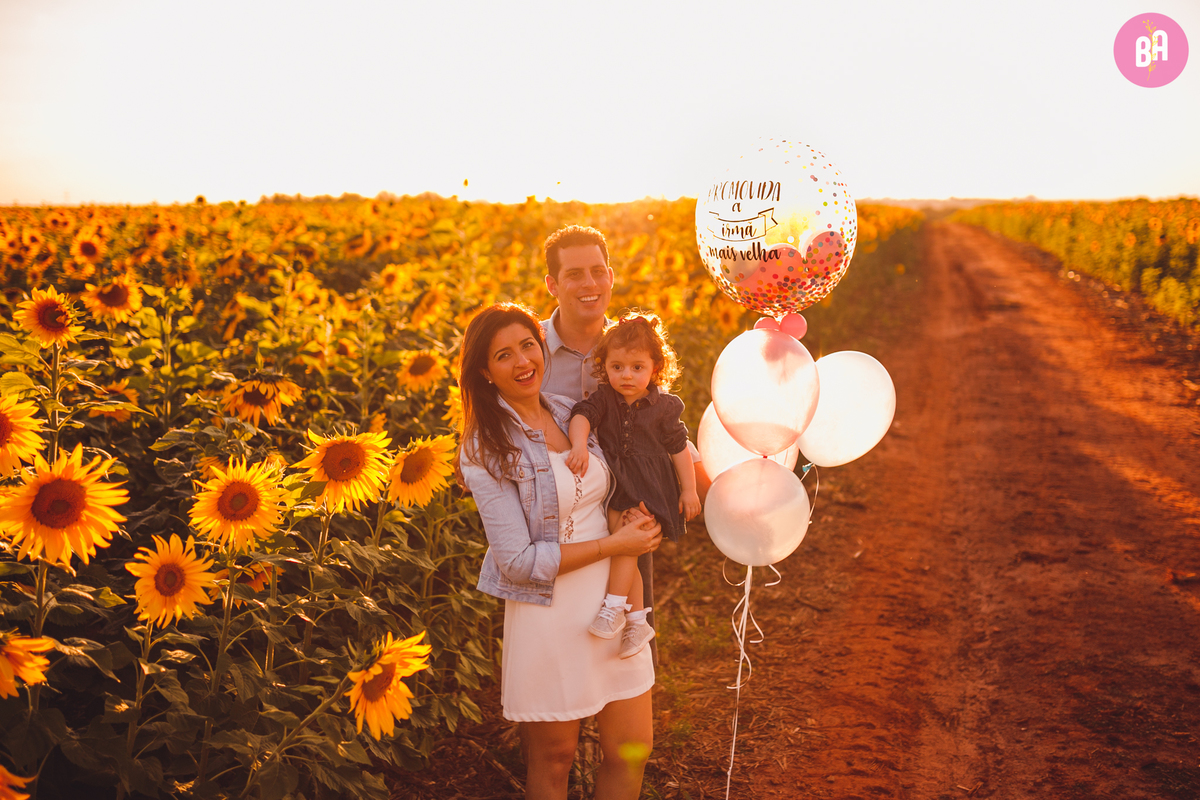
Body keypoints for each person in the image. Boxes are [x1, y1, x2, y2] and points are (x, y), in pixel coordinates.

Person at [456, 302, 663, 800]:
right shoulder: (485, 447)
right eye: (503, 355)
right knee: (554, 760)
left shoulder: (573, 412)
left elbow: (647, 440)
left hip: (614, 602)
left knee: (632, 745)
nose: (522, 360)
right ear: (484, 372)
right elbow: (518, 561)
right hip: (548, 611)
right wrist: (616, 543)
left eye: (528, 344)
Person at [539, 224, 712, 663]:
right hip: (556, 516)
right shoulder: (531, 347)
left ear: (612, 276)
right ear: (552, 284)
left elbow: (665, 430)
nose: (589, 284)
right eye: (574, 273)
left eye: (598, 271)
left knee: (628, 638)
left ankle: (628, 721)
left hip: (631, 500)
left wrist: (691, 484)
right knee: (562, 642)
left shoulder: (631, 345)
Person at [566, 311, 701, 660]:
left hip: (650, 487)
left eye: (637, 368)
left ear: (655, 369)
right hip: (616, 486)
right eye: (617, 367)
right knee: (628, 546)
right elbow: (581, 415)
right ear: (604, 367)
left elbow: (678, 448)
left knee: (627, 540)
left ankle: (613, 608)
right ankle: (638, 620)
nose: (626, 376)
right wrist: (579, 445)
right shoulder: (604, 399)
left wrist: (689, 490)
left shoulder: (664, 406)